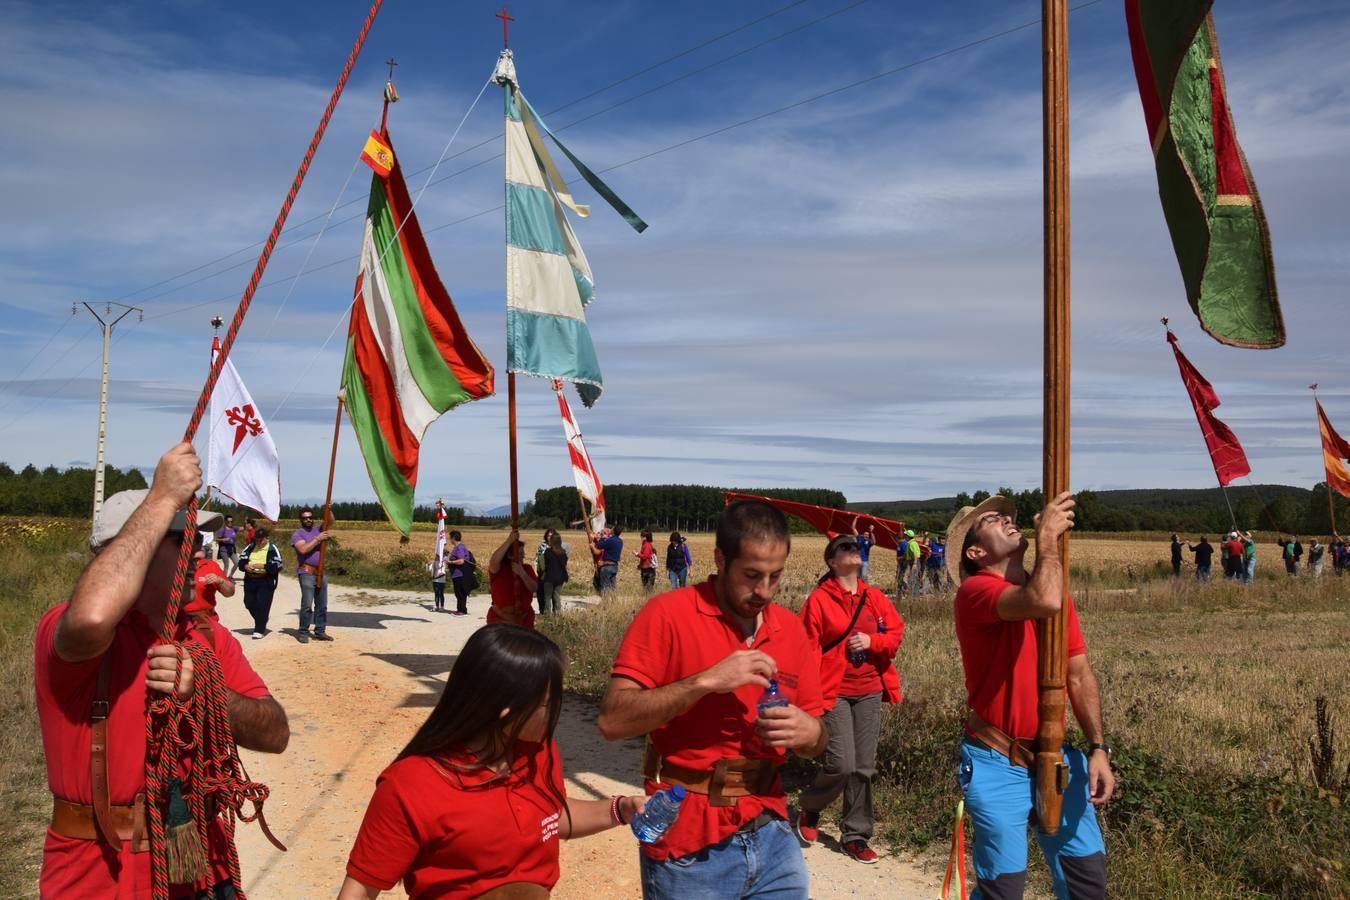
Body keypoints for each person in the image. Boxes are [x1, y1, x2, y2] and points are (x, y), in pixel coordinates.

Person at [35, 443, 289, 899]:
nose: (197, 551)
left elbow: (275, 734)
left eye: (197, 539)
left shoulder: (205, 637)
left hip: (197, 865)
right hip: (97, 875)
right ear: (132, 549)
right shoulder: (71, 631)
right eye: (181, 538)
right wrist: (161, 499)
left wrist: (209, 695)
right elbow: (93, 615)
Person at [597, 499, 827, 899]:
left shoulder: (792, 630)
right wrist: (703, 682)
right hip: (689, 839)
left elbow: (817, 743)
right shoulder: (668, 615)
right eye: (752, 575)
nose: (764, 591)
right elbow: (613, 722)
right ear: (721, 558)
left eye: (776, 577)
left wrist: (809, 732)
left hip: (772, 830)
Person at [339, 626, 647, 899]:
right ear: (506, 711)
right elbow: (360, 891)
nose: (557, 712)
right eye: (549, 702)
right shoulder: (411, 785)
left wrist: (619, 810)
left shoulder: (538, 751)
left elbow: (549, 817)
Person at [947, 493, 1112, 900]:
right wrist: (1049, 542)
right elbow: (1041, 600)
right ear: (976, 551)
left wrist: (1098, 748)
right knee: (1004, 889)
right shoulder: (976, 591)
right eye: (991, 520)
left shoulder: (1052, 591)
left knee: (1086, 880)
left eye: (1006, 515)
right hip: (997, 758)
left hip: (1057, 758)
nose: (1005, 519)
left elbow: (1078, 675)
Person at [796, 534, 904, 864]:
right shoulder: (819, 600)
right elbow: (807, 649)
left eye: (855, 547)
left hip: (870, 689)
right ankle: (811, 806)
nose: (853, 550)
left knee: (864, 766)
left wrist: (873, 641)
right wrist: (807, 699)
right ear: (831, 561)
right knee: (841, 763)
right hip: (835, 691)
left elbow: (896, 632)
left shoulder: (873, 597)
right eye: (845, 547)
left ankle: (855, 835)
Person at [291, 508, 333, 642]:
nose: (308, 519)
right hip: (306, 572)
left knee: (322, 604)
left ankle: (320, 631)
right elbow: (303, 549)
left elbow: (331, 521)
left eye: (310, 517)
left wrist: (328, 509)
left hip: (320, 572)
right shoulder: (298, 534)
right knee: (307, 604)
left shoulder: (318, 529)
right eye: (304, 518)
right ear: (301, 520)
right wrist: (317, 539)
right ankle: (303, 632)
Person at [239, 525, 284, 639]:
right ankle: (262, 620)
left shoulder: (272, 549)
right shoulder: (250, 547)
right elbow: (241, 561)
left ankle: (259, 629)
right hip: (250, 579)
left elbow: (278, 565)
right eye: (257, 539)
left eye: (261, 539)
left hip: (265, 580)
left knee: (263, 605)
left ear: (267, 538)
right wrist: (245, 566)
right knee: (248, 603)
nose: (259, 541)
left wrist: (263, 566)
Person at [488, 529, 538, 629]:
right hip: (500, 619)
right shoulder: (500, 569)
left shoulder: (527, 569)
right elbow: (493, 562)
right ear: (509, 555)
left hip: (524, 619)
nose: (523, 555)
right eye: (519, 553)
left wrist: (522, 573)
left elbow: (534, 588)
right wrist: (509, 541)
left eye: (523, 552)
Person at [186, 532, 235, 625]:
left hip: (206, 621)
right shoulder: (173, 565)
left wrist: (220, 581)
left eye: (200, 544)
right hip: (179, 622)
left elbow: (230, 593)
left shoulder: (210, 565)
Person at [446, 530, 475, 616]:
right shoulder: (458, 547)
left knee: (460, 593)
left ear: (454, 538)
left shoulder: (460, 547)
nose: (450, 539)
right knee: (458, 592)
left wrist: (450, 562)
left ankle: (462, 611)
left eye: (450, 537)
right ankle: (460, 609)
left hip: (460, 573)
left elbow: (461, 561)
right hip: (457, 574)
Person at [539, 532, 569, 615]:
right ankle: (558, 614)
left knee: (547, 597)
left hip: (550, 577)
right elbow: (565, 564)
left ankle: (548, 615)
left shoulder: (548, 552)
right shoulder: (563, 552)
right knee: (557, 596)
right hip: (560, 578)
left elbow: (544, 565)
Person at [592, 525, 624, 596]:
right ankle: (613, 603)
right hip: (614, 566)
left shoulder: (610, 540)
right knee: (612, 587)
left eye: (612, 529)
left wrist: (603, 537)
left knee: (604, 587)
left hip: (607, 567)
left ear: (613, 530)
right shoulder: (620, 541)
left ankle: (605, 604)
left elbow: (600, 545)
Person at [852, 518, 875, 584]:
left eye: (868, 535)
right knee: (857, 577)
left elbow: (874, 541)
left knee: (864, 576)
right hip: (857, 561)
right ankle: (858, 590)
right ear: (863, 535)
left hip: (865, 562)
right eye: (865, 534)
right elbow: (853, 528)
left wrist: (871, 532)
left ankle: (865, 589)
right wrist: (856, 518)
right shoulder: (859, 538)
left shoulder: (869, 541)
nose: (866, 536)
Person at [216, 514, 239, 579]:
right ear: (225, 521)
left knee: (237, 563)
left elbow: (243, 528)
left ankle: (230, 576)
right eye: (228, 521)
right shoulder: (222, 529)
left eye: (231, 521)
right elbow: (216, 539)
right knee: (226, 565)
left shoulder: (233, 528)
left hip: (232, 550)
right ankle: (224, 579)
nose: (230, 523)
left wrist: (247, 522)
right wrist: (223, 539)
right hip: (224, 550)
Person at [636, 529, 658, 594]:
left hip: (648, 569)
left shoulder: (647, 545)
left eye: (642, 536)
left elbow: (645, 556)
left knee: (648, 589)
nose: (641, 537)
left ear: (645, 537)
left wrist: (637, 554)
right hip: (645, 568)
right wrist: (640, 565)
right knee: (646, 588)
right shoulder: (646, 544)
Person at [427, 546, 448, 612]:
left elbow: (442, 569)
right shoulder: (433, 562)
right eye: (436, 555)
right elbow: (428, 570)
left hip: (441, 580)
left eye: (438, 555)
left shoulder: (443, 562)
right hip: (435, 580)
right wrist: (428, 564)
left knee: (441, 593)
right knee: (436, 593)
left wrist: (443, 559)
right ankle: (436, 606)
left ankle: (442, 607)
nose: (436, 556)